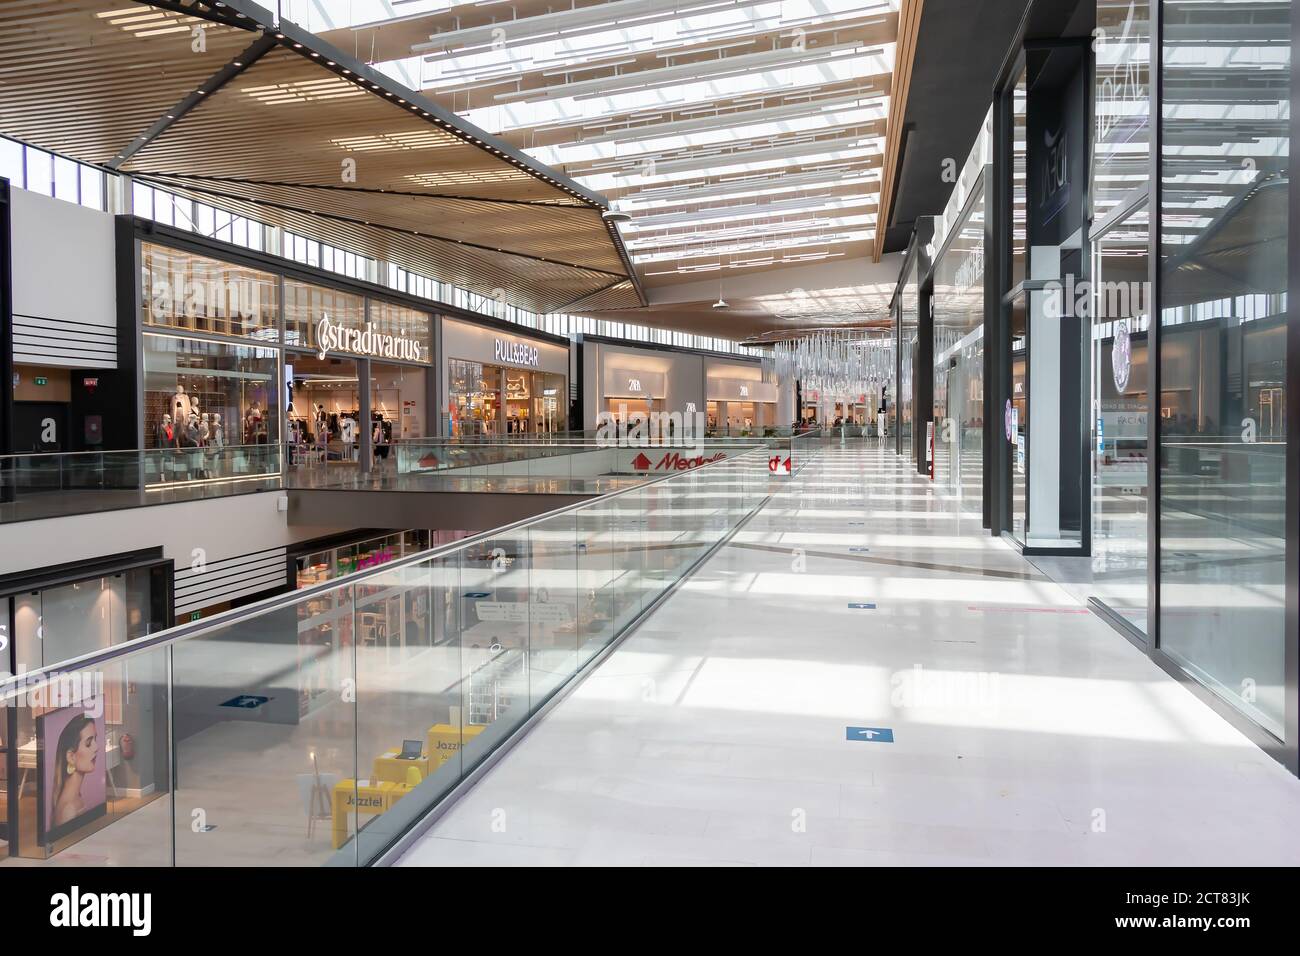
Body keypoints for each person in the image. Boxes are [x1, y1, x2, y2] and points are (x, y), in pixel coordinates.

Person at [51, 715, 99, 827]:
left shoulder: (75, 797)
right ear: (71, 757)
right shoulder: (68, 810)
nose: (96, 747)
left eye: (95, 740)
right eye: (88, 743)